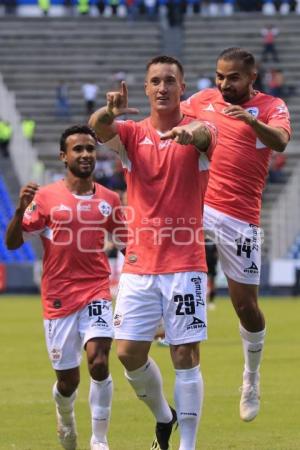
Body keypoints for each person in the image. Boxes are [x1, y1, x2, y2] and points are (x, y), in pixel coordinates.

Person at [89, 55, 217, 450]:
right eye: (155, 81)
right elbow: (97, 129)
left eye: (170, 81)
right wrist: (107, 111)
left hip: (185, 264)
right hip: (139, 266)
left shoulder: (201, 130)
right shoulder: (130, 135)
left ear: (182, 88)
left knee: (184, 353)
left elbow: (205, 135)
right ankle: (165, 416)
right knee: (126, 353)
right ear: (145, 89)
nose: (162, 88)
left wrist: (189, 135)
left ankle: (188, 446)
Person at [181, 47, 291, 422]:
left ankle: (251, 376)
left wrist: (251, 122)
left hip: (241, 218)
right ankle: (168, 322)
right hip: (201, 203)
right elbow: (171, 119)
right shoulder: (203, 100)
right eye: (220, 76)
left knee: (246, 307)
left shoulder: (272, 106)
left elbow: (280, 141)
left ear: (251, 79)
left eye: (233, 77)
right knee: (175, 256)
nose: (224, 83)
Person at [6, 125, 126, 450]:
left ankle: (99, 440)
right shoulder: (45, 198)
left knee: (99, 362)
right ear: (64, 156)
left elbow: (129, 244)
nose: (86, 154)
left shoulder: (110, 199)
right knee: (67, 380)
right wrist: (20, 210)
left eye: (90, 148)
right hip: (58, 300)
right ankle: (66, 413)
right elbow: (13, 242)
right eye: (78, 149)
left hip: (97, 291)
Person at [205, 238, 218, 310]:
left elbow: (217, 253)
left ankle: (211, 302)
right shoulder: (203, 241)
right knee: (204, 284)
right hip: (204, 265)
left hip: (212, 265)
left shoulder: (214, 242)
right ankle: (204, 302)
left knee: (212, 283)